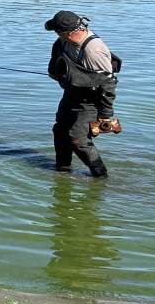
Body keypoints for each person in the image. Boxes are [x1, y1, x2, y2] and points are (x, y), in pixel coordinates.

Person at [44, 10, 120, 178]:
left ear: (70, 32)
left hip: (91, 101)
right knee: (60, 131)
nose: (56, 35)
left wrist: (105, 115)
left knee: (78, 139)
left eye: (58, 32)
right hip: (72, 94)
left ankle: (100, 176)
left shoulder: (94, 50)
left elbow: (108, 85)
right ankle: (63, 170)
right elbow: (57, 62)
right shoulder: (63, 41)